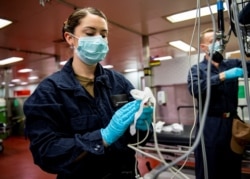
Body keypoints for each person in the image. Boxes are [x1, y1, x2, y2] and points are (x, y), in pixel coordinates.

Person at [23, 7, 153, 179]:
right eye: (90, 33)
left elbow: (135, 141)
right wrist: (103, 137)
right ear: (70, 38)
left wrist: (142, 126)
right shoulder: (50, 91)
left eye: (103, 34)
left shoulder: (119, 82)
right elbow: (46, 152)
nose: (99, 40)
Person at [187, 28, 250, 179]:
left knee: (232, 168)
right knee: (209, 169)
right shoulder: (196, 70)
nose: (217, 43)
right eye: (212, 41)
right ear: (203, 47)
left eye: (219, 40)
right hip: (209, 125)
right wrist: (221, 77)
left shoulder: (232, 64)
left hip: (231, 124)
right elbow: (195, 89)